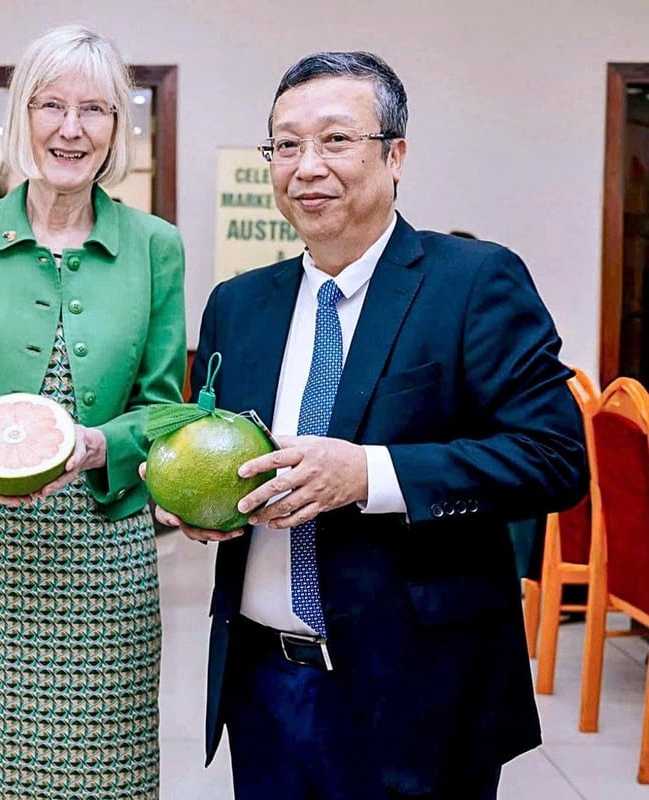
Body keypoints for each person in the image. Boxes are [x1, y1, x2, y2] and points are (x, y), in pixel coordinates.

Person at [151, 52, 587, 799]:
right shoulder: (237, 305)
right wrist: (202, 510)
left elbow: (552, 457)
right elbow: (221, 454)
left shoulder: (474, 282)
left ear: (395, 156)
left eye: (335, 140)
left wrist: (371, 475)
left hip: (419, 692)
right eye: (286, 144)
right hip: (263, 687)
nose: (306, 166)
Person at [0, 24, 187, 799]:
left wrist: (98, 446)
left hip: (102, 561)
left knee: (102, 776)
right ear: (22, 117)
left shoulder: (156, 247)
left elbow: (162, 409)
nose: (71, 128)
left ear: (117, 128)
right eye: (50, 105)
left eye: (94, 109)